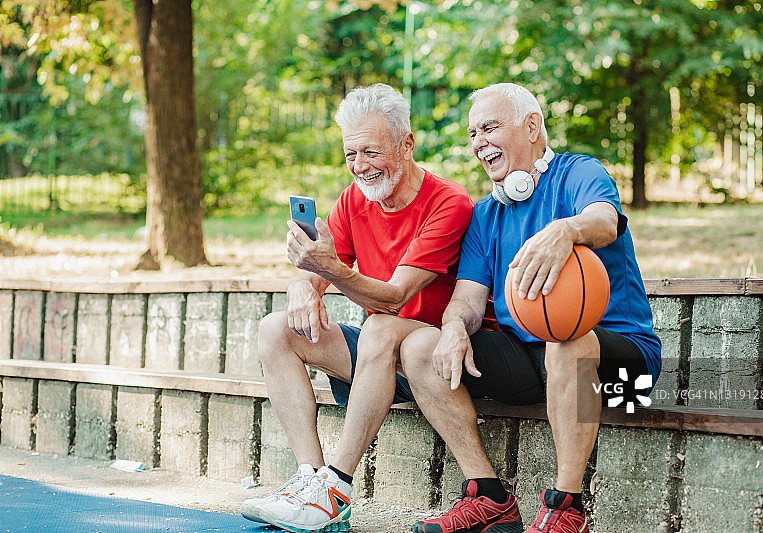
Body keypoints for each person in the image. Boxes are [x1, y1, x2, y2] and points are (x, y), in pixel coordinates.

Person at [399, 83, 661, 533]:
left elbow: (605, 219)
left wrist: (567, 230)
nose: (478, 141)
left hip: (626, 378)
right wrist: (456, 327)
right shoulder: (486, 214)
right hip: (538, 369)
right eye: (472, 133)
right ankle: (490, 497)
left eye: (489, 127)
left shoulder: (579, 173)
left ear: (533, 125)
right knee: (422, 345)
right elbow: (466, 298)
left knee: (565, 341)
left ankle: (565, 507)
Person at [240, 83, 489, 533]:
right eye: (350, 154)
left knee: (379, 328)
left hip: (432, 359)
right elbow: (315, 274)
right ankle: (310, 480)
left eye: (371, 152)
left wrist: (329, 270)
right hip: (378, 361)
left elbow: (396, 297)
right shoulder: (355, 199)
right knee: (275, 330)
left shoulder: (448, 203)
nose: (359, 166)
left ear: (406, 144)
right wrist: (302, 287)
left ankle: (336, 491)